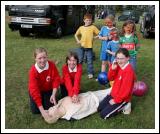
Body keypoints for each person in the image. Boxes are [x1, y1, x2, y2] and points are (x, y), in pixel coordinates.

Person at [98, 48, 136, 119]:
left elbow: (126, 91)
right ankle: (115, 104)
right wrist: (113, 69)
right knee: (99, 109)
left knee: (103, 115)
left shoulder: (129, 71)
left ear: (128, 58)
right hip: (114, 94)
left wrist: (116, 100)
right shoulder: (117, 65)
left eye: (122, 58)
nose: (119, 61)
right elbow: (110, 78)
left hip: (122, 98)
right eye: (117, 58)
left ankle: (126, 105)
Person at [44, 88, 112, 124]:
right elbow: (87, 112)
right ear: (55, 117)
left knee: (111, 89)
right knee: (111, 92)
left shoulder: (60, 102)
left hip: (90, 94)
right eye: (49, 111)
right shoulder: (71, 116)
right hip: (95, 101)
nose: (49, 108)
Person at [28, 47, 61, 120]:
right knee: (36, 111)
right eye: (39, 58)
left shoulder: (51, 65)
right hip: (37, 91)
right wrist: (42, 110)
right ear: (35, 59)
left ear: (47, 57)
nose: (42, 60)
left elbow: (56, 79)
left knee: (49, 107)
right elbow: (34, 90)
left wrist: (53, 94)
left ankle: (48, 98)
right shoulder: (33, 71)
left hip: (48, 90)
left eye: (44, 57)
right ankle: (36, 101)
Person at [74, 13, 100, 79]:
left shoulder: (93, 27)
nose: (88, 21)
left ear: (91, 21)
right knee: (80, 60)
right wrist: (78, 41)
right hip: (81, 47)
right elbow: (76, 35)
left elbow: (100, 34)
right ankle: (78, 71)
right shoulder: (81, 28)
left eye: (90, 20)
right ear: (84, 20)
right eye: (87, 20)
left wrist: (95, 37)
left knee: (89, 61)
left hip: (89, 48)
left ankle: (90, 73)